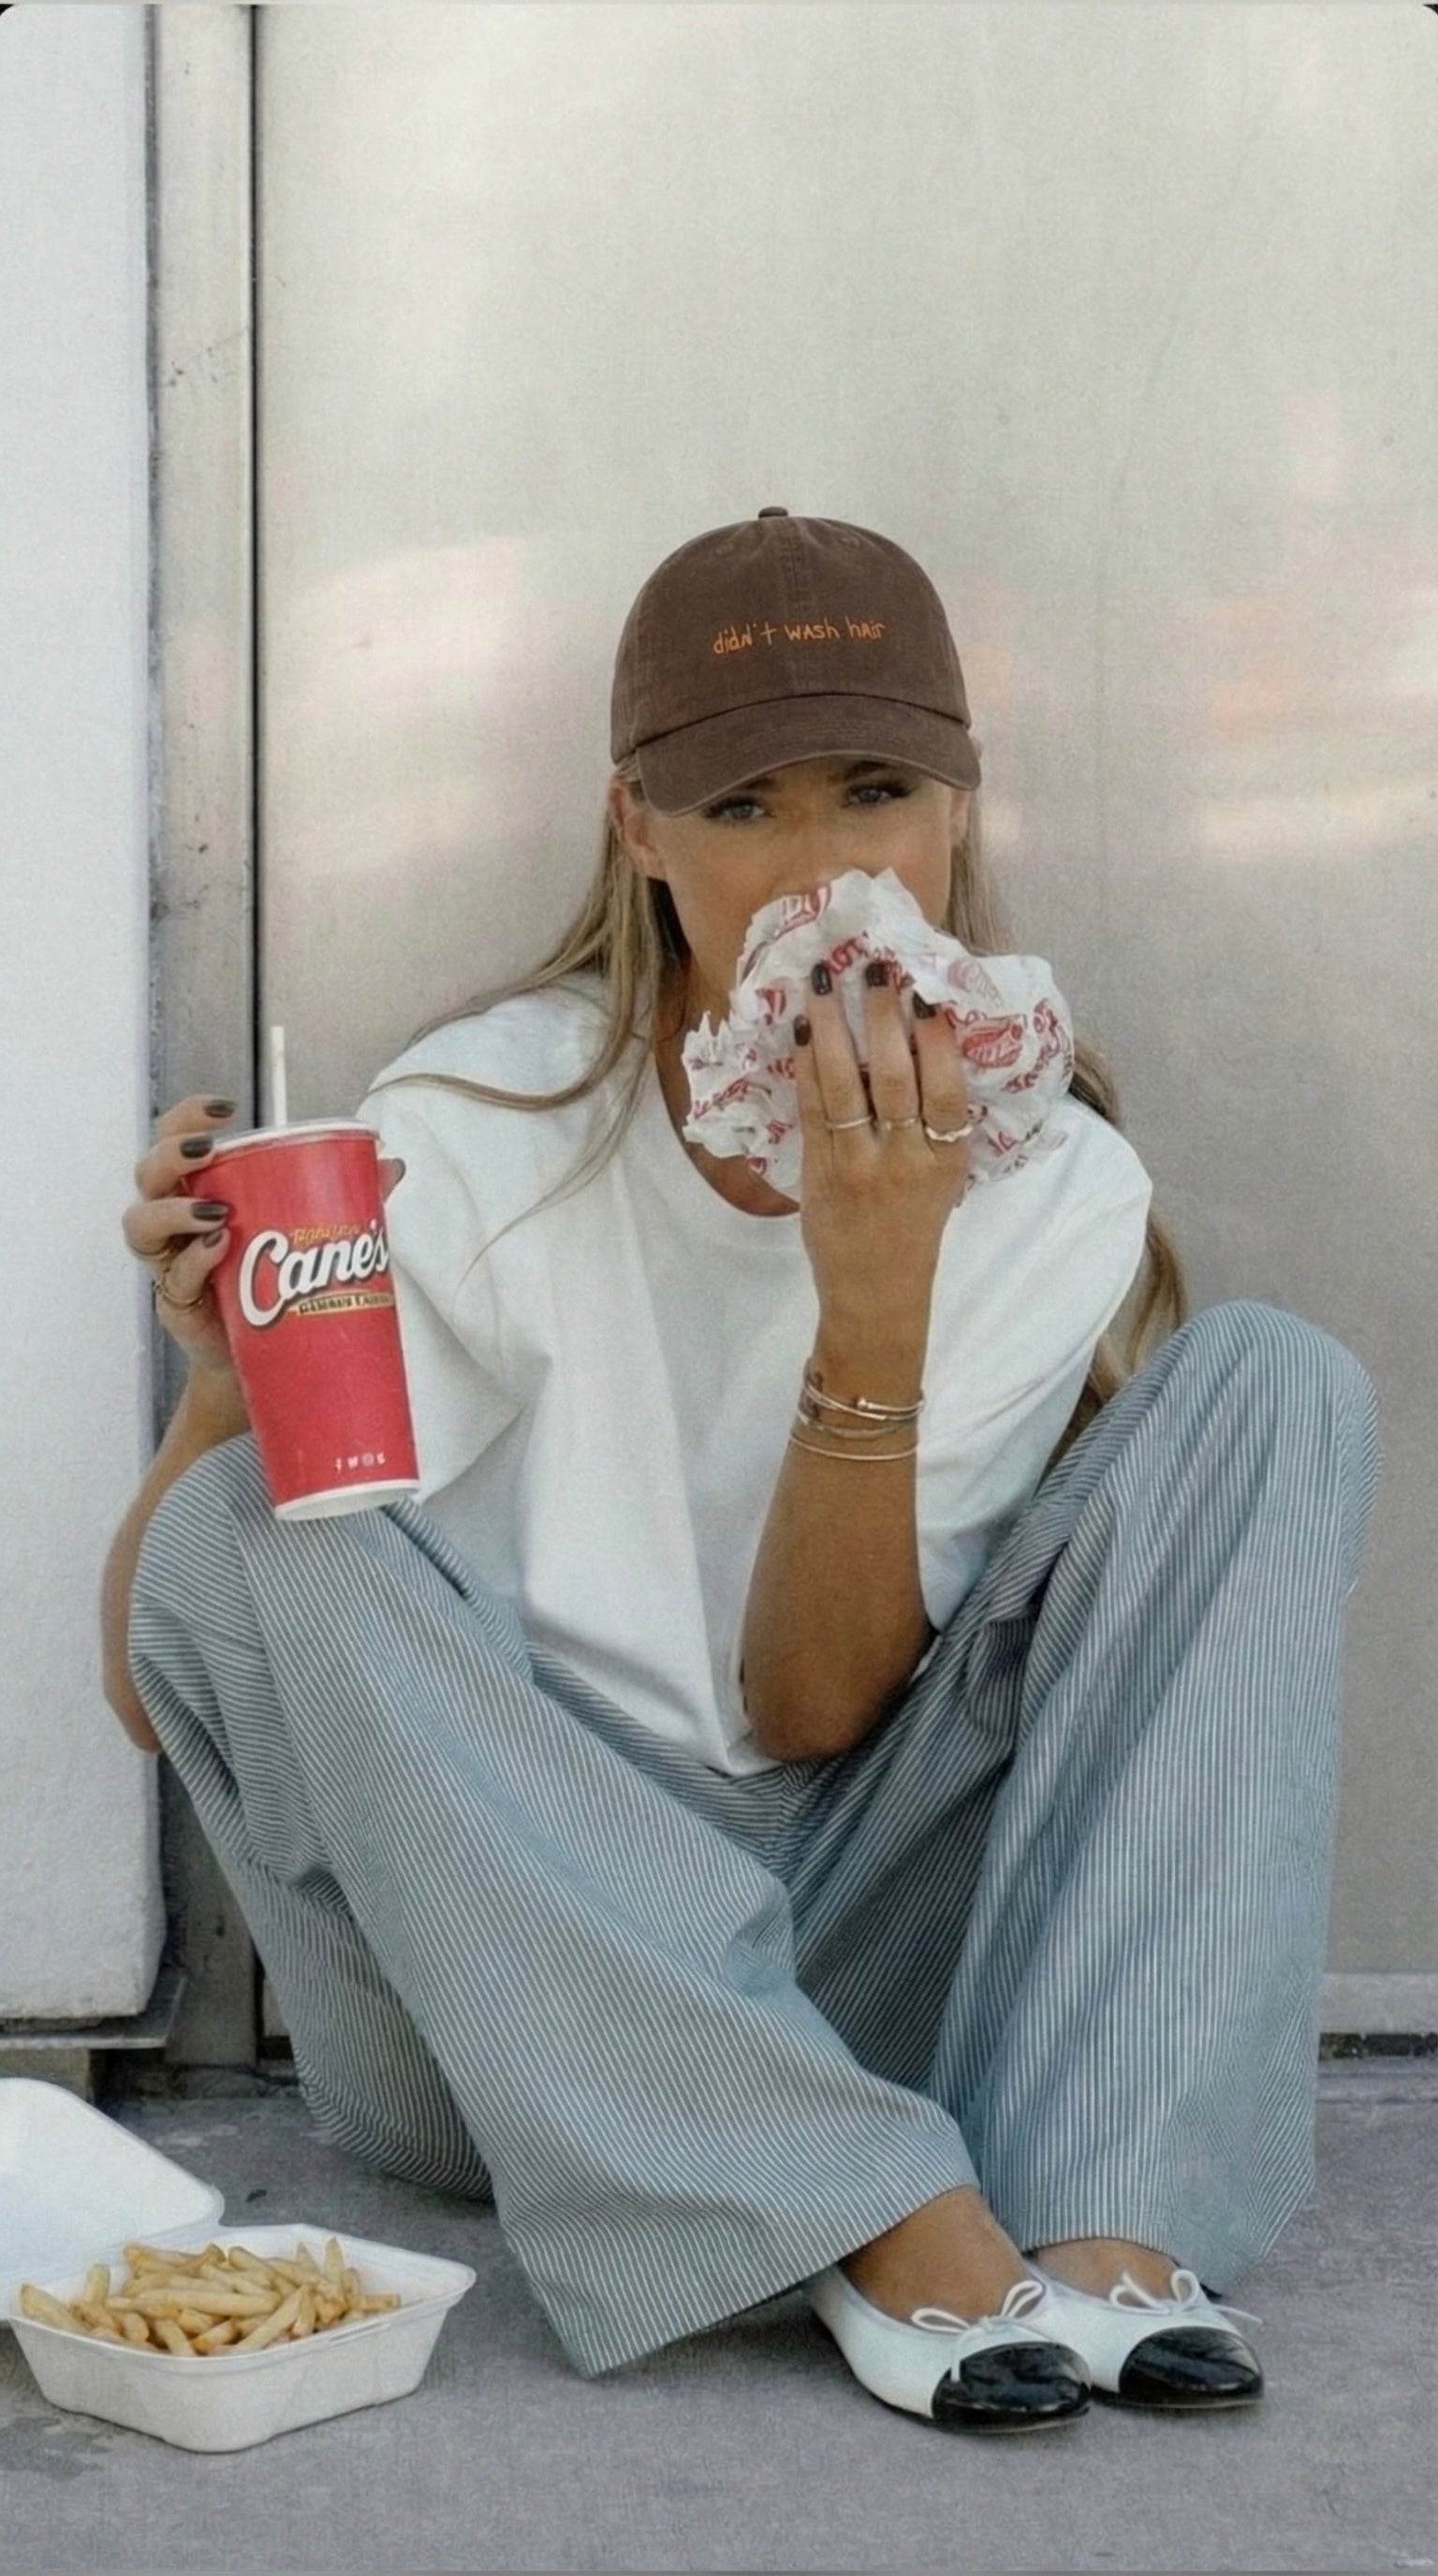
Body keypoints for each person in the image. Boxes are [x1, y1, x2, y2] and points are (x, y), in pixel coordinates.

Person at [106, 510, 1382, 2433]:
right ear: (639, 832)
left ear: (959, 803)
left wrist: (875, 1296)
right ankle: (871, 2206)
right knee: (241, 1513)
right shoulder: (463, 1128)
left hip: (862, 1929)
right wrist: (225, 1386)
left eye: (875, 789)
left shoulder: (1055, 1184)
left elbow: (812, 1707)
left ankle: (1111, 2204)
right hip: (506, 2003)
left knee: (1278, 1378)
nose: (826, 870)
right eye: (746, 809)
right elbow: (159, 1676)